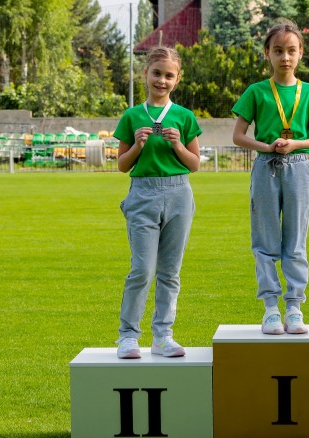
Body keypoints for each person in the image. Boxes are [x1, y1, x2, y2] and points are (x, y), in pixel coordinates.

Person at [232, 19, 309, 335]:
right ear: (267, 53)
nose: (285, 57)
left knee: (296, 240)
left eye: (291, 50)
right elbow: (238, 135)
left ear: (301, 53)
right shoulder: (256, 92)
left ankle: (294, 307)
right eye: (278, 51)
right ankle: (270, 309)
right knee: (265, 239)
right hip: (266, 166)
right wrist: (267, 147)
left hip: (298, 166)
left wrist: (295, 144)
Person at [113, 46, 202, 359]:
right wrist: (137, 146)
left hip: (179, 194)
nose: (161, 80)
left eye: (168, 75)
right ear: (145, 74)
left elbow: (194, 164)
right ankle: (128, 336)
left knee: (170, 272)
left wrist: (178, 145)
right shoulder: (132, 116)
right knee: (142, 269)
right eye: (156, 73)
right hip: (143, 194)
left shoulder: (184, 117)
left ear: (177, 80)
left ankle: (163, 336)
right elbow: (122, 165)